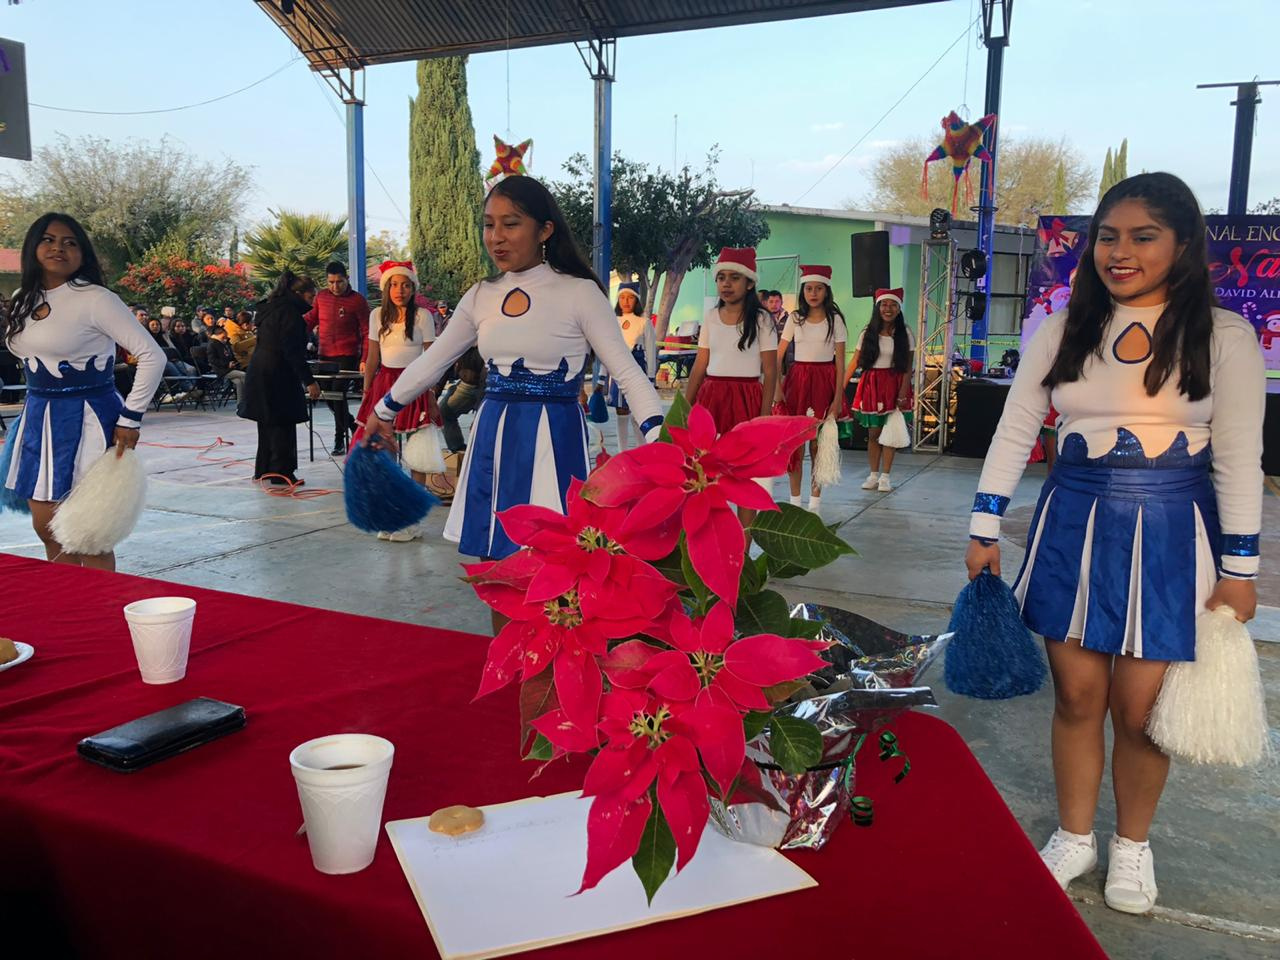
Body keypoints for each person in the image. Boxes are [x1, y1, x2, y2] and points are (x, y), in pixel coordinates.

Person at [965, 172, 1263, 914]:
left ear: (1184, 245)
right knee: (1077, 695)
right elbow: (1014, 427)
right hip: (1071, 525)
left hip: (1172, 536)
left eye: (1143, 236)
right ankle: (1075, 837)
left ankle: (1133, 844)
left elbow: (1237, 457)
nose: (1119, 252)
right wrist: (983, 524)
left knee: (1140, 712)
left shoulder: (1225, 337)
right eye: (1108, 236)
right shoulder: (1060, 327)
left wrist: (1241, 569)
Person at [361, 175, 662, 566]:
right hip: (492, 437)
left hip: (556, 438)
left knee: (554, 566)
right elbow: (432, 363)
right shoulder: (480, 295)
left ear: (545, 230)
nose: (496, 237)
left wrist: (659, 439)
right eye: (489, 224)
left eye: (512, 223)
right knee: (496, 567)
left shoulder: (579, 292)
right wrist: (382, 411)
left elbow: (627, 372)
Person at [0, 212, 164, 570]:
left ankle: (100, 613)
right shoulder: (23, 297)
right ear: (33, 246)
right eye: (49, 239)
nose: (59, 247)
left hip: (90, 419)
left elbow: (153, 355)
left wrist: (131, 418)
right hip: (37, 418)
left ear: (82, 253)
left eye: (70, 242)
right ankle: (67, 610)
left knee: (89, 534)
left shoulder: (96, 298)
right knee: (47, 528)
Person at [352, 261, 443, 540]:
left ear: (413, 288)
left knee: (417, 454)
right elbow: (372, 356)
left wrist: (430, 393)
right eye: (393, 284)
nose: (399, 290)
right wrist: (367, 392)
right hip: (384, 386)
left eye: (405, 285)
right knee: (385, 454)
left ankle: (411, 519)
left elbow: (431, 358)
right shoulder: (377, 315)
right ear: (386, 288)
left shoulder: (423, 317)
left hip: (414, 385)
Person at [684, 247, 779, 436]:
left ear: (750, 283)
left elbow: (770, 370)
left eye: (735, 278)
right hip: (711, 398)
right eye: (721, 278)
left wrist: (764, 415)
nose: (726, 284)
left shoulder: (762, 319)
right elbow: (700, 365)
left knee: (744, 458)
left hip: (747, 399)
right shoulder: (710, 317)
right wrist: (684, 408)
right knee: (708, 457)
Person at [774, 265, 847, 511]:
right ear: (803, 291)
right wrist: (777, 386)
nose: (813, 293)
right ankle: (795, 502)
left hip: (824, 381)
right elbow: (777, 355)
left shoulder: (835, 319)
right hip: (797, 381)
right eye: (808, 288)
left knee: (819, 445)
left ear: (826, 291)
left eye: (818, 288)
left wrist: (837, 399)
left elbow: (840, 362)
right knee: (795, 445)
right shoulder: (795, 318)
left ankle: (814, 504)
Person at [240, 271, 321, 485]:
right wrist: (310, 381)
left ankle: (264, 469)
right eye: (311, 296)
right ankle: (281, 472)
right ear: (299, 294)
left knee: (267, 422)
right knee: (282, 422)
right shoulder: (290, 314)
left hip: (260, 369)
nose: (313, 301)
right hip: (277, 373)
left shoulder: (271, 308)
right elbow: (293, 352)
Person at [844, 287, 915, 493]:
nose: (888, 308)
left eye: (893, 305)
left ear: (899, 309)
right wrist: (841, 387)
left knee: (890, 432)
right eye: (884, 304)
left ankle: (885, 477)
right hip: (871, 383)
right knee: (874, 432)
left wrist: (903, 392)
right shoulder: (867, 332)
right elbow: (855, 362)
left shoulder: (905, 333)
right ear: (878, 307)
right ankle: (873, 474)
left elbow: (908, 367)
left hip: (894, 383)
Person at [305, 260, 371, 455]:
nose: (335, 286)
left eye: (339, 282)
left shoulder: (357, 300)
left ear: (347, 279)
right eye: (331, 282)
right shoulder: (321, 297)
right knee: (330, 398)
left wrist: (365, 359)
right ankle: (354, 427)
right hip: (324, 354)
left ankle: (339, 439)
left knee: (338, 395)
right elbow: (310, 320)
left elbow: (367, 332)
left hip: (347, 355)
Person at [606, 281, 658, 451]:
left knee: (638, 415)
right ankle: (622, 453)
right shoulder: (612, 322)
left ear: (636, 300)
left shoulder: (644, 323)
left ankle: (641, 451)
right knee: (621, 412)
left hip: (638, 372)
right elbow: (608, 350)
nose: (626, 301)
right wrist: (603, 380)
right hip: (618, 372)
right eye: (622, 297)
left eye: (630, 297)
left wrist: (651, 379)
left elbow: (650, 352)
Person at [439, 346, 486, 454]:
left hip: (486, 385)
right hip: (468, 384)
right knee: (444, 411)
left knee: (484, 422)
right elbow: (447, 366)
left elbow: (484, 381)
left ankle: (477, 453)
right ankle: (458, 449)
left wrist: (479, 414)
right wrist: (434, 394)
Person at [206, 323, 246, 403]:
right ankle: (251, 398)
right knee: (244, 375)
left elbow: (230, 355)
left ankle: (240, 404)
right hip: (222, 370)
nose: (225, 339)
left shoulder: (225, 343)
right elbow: (212, 360)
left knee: (239, 382)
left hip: (230, 368)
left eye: (226, 337)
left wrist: (235, 362)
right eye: (223, 337)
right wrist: (227, 364)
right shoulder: (212, 345)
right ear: (217, 335)